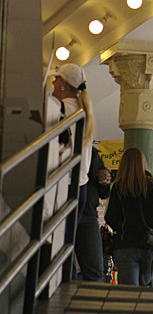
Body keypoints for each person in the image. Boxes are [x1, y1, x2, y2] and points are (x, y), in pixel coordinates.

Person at [105, 146, 153, 286]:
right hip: (151, 246)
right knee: (145, 287)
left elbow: (110, 218)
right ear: (143, 163)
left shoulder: (118, 188)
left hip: (125, 245)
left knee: (130, 292)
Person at [49, 63, 96, 220]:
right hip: (80, 187)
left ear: (63, 83)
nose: (52, 83)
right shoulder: (85, 111)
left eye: (56, 79)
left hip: (61, 186)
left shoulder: (56, 108)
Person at [74, 146, 111, 281]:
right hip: (70, 213)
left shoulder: (93, 154)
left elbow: (104, 193)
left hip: (87, 214)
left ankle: (93, 301)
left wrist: (104, 182)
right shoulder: (59, 145)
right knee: (66, 268)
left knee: (95, 271)